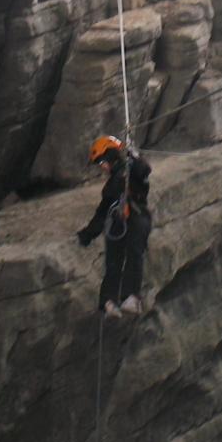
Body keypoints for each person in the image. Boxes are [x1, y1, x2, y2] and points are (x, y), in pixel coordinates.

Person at [77, 134, 151, 317]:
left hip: (136, 216)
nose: (102, 167)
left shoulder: (132, 170)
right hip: (117, 221)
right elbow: (102, 212)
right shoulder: (112, 185)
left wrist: (134, 156)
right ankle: (108, 301)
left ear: (111, 155)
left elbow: (144, 170)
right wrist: (88, 234)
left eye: (102, 161)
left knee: (134, 254)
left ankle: (130, 296)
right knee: (113, 261)